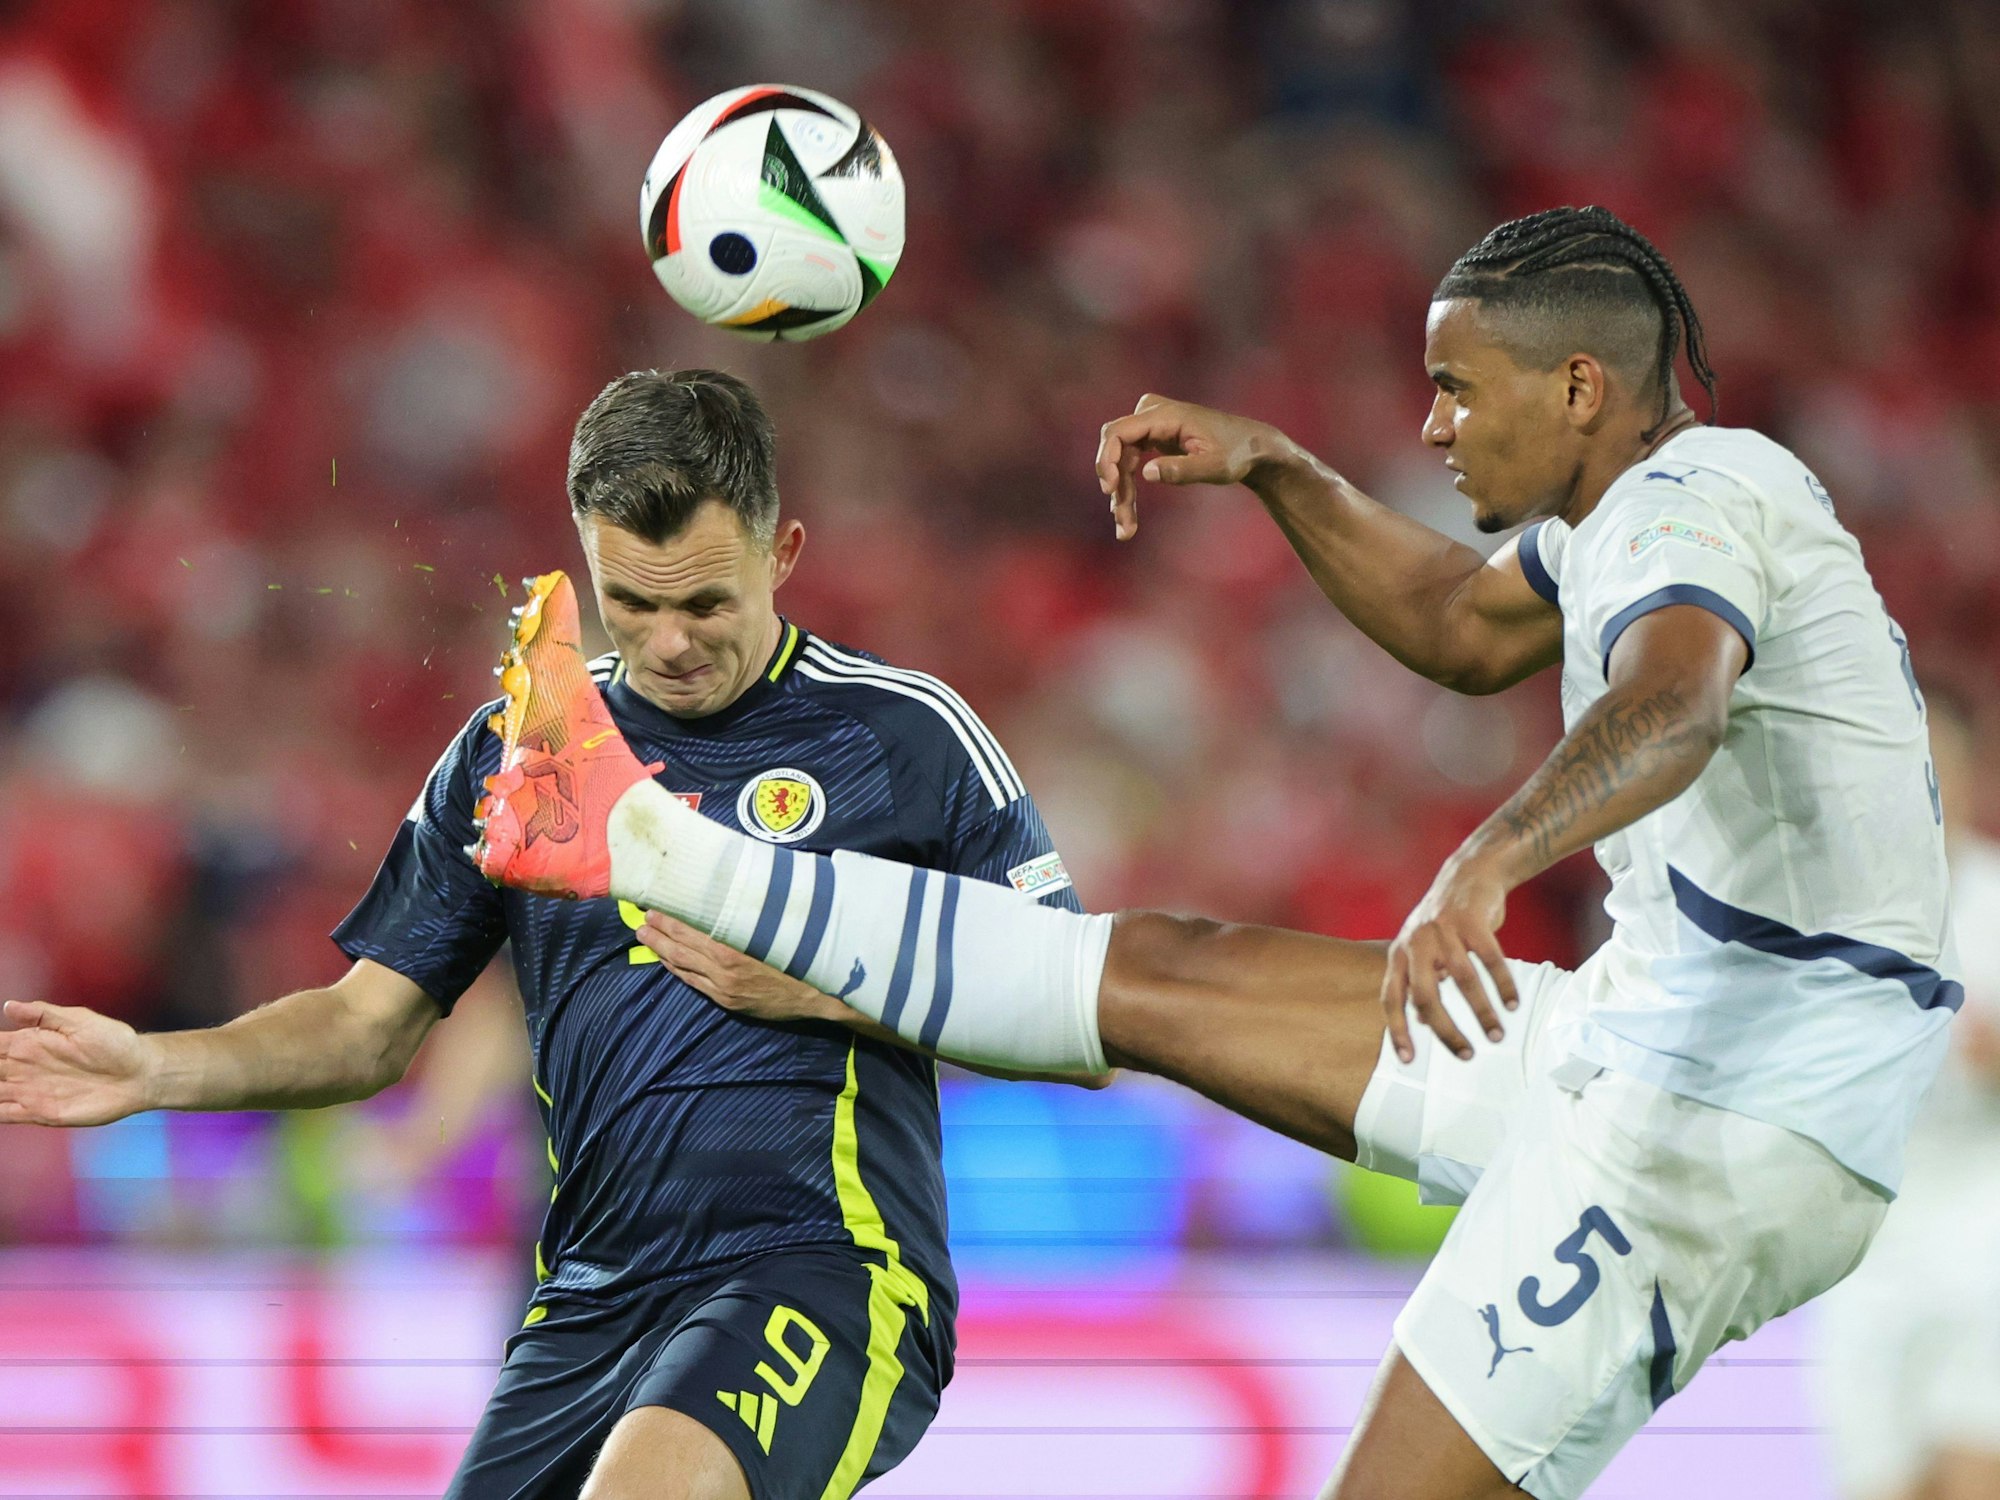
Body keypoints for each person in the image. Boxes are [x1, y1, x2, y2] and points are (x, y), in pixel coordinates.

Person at [467, 207, 1957, 1500]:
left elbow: (1677, 701)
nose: (1433, 425)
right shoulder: (1637, 513)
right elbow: (1456, 621)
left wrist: (1485, 864)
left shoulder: (1696, 505)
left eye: (1456, 389)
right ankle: (684, 856)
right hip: (1652, 1039)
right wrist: (1277, 469)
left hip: (1722, 1123)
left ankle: (661, 844)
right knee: (1166, 974)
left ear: (1579, 386)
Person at [0, 368, 1098, 1500]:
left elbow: (1078, 1015)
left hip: (826, 1270)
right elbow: (363, 1028)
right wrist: (149, 1066)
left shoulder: (901, 736)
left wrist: (820, 984)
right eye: (631, 602)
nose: (670, 642)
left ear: (784, 553)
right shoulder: (522, 752)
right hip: (590, 1300)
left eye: (707, 603)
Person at [1814, 686, 2000, 1500]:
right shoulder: (1825, 923)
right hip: (1867, 1257)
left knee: (1971, 1476)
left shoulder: (1996, 907)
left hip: (1983, 1245)